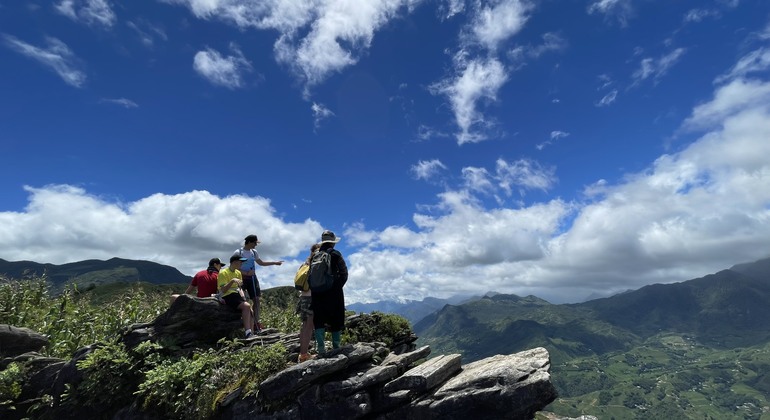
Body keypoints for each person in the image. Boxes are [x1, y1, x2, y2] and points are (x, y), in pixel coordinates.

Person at [234, 234, 283, 332]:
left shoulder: (254, 252)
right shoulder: (238, 252)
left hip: (252, 278)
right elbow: (235, 266)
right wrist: (246, 272)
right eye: (254, 243)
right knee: (242, 300)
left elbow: (261, 263)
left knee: (256, 300)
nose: (255, 245)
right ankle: (244, 324)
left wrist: (275, 263)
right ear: (249, 242)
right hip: (241, 278)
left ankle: (256, 323)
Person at [311, 230, 348, 354]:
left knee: (319, 320)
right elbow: (344, 273)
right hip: (334, 292)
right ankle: (336, 347)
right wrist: (337, 286)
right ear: (333, 242)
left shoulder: (315, 256)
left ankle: (320, 349)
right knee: (336, 318)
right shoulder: (336, 254)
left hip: (317, 292)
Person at [218, 254, 255, 338]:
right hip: (227, 295)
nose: (241, 264)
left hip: (236, 294)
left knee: (250, 309)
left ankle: (251, 333)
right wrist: (232, 281)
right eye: (240, 262)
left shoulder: (238, 272)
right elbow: (223, 290)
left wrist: (244, 299)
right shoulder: (223, 272)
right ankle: (248, 333)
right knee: (246, 306)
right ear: (234, 262)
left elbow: (240, 288)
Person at [297, 243, 320, 362]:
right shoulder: (315, 265)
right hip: (312, 298)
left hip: (303, 298)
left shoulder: (304, 264)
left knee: (305, 326)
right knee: (309, 327)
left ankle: (303, 353)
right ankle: (304, 355)